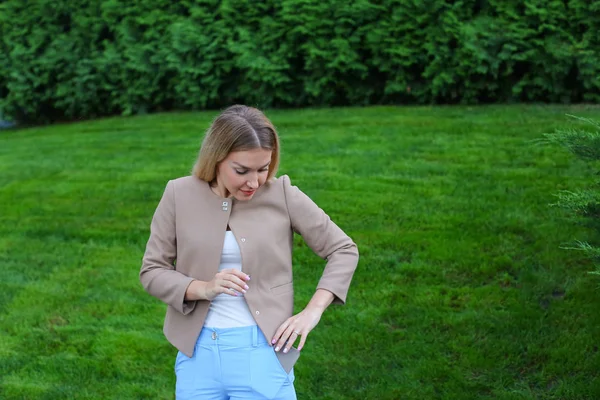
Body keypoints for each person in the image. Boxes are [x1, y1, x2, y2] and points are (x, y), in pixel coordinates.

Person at [139, 105, 359, 400]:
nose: (254, 181)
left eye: (263, 168)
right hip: (197, 356)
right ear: (216, 159)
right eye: (241, 170)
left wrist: (312, 312)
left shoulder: (281, 194)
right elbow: (152, 271)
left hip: (264, 352)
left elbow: (343, 249)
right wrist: (203, 288)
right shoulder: (179, 195)